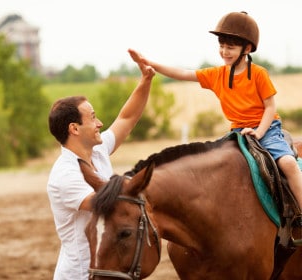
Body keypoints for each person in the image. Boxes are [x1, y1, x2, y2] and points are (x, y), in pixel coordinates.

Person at [129, 11, 302, 243]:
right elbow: (182, 73)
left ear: (247, 49)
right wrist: (149, 63)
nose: (224, 51)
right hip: (237, 132)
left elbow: (270, 108)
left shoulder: (259, 74)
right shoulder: (216, 74)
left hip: (266, 129)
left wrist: (259, 132)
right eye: (221, 45)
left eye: (230, 47)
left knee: (289, 163)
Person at [47, 49, 155, 280]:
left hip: (107, 269)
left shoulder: (97, 150)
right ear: (74, 129)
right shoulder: (64, 175)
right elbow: (109, 204)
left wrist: (146, 80)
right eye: (93, 117)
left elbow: (126, 119)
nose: (100, 123)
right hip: (80, 274)